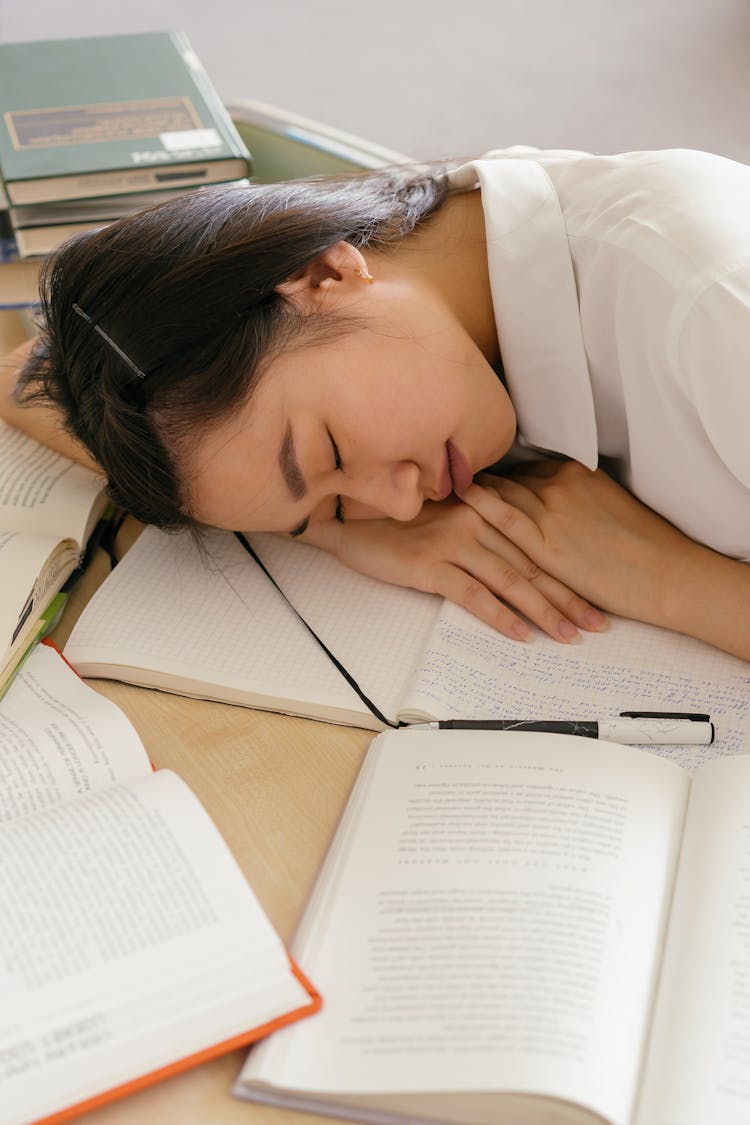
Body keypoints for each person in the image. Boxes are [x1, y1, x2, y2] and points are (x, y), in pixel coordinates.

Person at [1, 145, 749, 661]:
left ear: (326, 272)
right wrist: (337, 536)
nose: (396, 507)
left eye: (328, 455)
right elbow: (20, 375)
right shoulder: (423, 245)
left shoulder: (710, 310)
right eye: (333, 503)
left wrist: (672, 581)